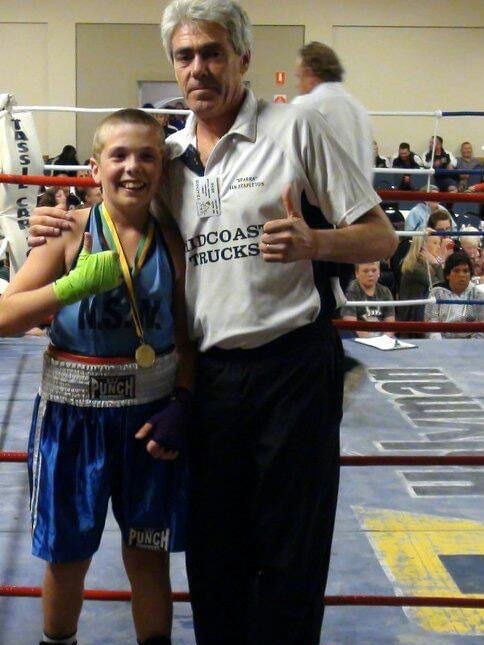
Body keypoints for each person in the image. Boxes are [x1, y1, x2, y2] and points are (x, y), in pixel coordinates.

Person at [29, 2, 397, 644]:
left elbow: (381, 239)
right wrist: (57, 225)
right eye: (184, 56)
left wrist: (316, 243)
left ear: (244, 59)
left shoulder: (296, 131)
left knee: (291, 554)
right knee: (212, 555)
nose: (198, 68)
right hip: (206, 380)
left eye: (212, 53)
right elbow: (115, 200)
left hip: (292, 369)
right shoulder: (166, 159)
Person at [1, 109, 195, 645]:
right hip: (71, 420)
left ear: (162, 168)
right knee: (67, 559)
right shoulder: (69, 234)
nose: (133, 167)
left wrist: (184, 400)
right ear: (94, 167)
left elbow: (186, 338)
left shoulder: (174, 243)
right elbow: (4, 317)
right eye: (120, 155)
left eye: (147, 155)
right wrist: (68, 288)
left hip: (149, 422)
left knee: (148, 556)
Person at [291, 40, 374, 181]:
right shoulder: (359, 109)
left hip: (319, 200)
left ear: (310, 74)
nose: (296, 84)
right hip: (363, 200)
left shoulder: (305, 106)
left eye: (299, 77)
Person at [425, 251, 484, 338]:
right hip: (441, 345)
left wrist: (471, 347)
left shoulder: (479, 296)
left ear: (470, 274)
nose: (462, 275)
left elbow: (482, 330)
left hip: (471, 346)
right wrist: (441, 347)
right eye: (456, 271)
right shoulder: (436, 293)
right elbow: (431, 325)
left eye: (465, 271)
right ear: (448, 275)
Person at [397, 229, 444, 328]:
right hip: (413, 321)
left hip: (426, 313)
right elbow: (440, 288)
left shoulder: (425, 265)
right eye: (435, 243)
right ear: (422, 247)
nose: (438, 247)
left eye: (439, 243)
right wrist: (436, 263)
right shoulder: (414, 268)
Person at [340, 262, 395, 337]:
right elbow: (351, 325)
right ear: (357, 273)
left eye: (374, 270)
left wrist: (384, 339)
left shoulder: (385, 291)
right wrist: (372, 340)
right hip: (358, 339)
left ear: (379, 272)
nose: (370, 274)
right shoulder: (350, 291)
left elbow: (390, 325)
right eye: (366, 271)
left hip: (383, 339)